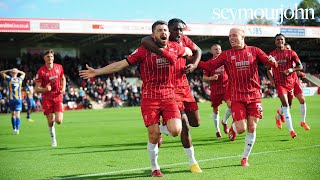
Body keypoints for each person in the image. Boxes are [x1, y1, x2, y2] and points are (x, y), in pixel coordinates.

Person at [80, 20, 192, 177]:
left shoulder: (175, 47)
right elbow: (120, 64)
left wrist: (188, 53)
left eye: (165, 30)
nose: (163, 32)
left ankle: (158, 129)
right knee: (153, 136)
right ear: (153, 35)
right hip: (150, 97)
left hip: (169, 95)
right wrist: (98, 72)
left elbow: (188, 51)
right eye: (159, 30)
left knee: (175, 130)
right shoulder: (143, 51)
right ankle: (155, 167)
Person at [197, 28, 278, 167]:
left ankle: (245, 158)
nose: (231, 38)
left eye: (234, 35)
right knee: (241, 128)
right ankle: (234, 129)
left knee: (252, 127)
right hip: (237, 97)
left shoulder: (254, 50)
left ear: (243, 36)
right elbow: (209, 65)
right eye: (229, 36)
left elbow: (270, 64)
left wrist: (273, 61)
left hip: (254, 96)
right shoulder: (226, 55)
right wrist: (193, 59)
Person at [141, 18, 202, 173]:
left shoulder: (185, 40)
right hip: (169, 89)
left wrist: (193, 65)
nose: (179, 32)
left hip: (185, 88)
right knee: (184, 125)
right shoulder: (155, 42)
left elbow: (198, 51)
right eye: (175, 29)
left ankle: (161, 127)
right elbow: (145, 40)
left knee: (195, 122)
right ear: (168, 30)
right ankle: (193, 162)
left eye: (181, 29)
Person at [269, 41, 310, 132]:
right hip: (282, 83)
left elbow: (296, 68)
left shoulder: (292, 56)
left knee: (302, 99)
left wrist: (299, 73)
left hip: (294, 82)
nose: (286, 50)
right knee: (288, 105)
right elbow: (270, 68)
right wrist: (272, 79)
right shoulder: (276, 56)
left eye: (288, 49)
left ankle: (302, 121)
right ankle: (278, 116)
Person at [35, 49, 66, 147]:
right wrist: (45, 89)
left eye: (52, 56)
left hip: (57, 96)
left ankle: (58, 111)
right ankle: (53, 138)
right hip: (47, 98)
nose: (50, 58)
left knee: (59, 121)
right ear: (44, 58)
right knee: (50, 121)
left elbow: (63, 78)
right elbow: (37, 88)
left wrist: (63, 88)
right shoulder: (41, 71)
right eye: (48, 57)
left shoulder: (59, 67)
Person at [202, 44, 231, 138]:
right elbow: (204, 78)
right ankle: (217, 130)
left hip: (226, 87)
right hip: (215, 89)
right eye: (215, 49)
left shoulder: (225, 62)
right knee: (215, 109)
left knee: (231, 105)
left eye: (219, 49)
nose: (218, 50)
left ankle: (224, 121)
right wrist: (211, 78)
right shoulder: (209, 63)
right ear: (211, 51)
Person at [1, 68, 26, 134]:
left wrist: (10, 70)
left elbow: (1, 72)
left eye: (13, 72)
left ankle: (16, 129)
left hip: (14, 100)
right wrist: (16, 71)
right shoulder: (18, 79)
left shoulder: (11, 79)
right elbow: (24, 73)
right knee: (15, 115)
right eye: (13, 72)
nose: (13, 72)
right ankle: (16, 129)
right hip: (15, 99)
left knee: (15, 115)